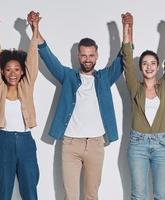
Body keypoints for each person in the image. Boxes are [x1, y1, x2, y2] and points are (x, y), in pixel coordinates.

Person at [30, 10, 124, 200]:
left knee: (91, 195)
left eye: (91, 55)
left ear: (97, 56)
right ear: (78, 56)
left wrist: (126, 30)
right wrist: (35, 29)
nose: (87, 59)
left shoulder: (105, 78)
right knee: (70, 196)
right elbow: (49, 58)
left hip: (96, 145)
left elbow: (122, 60)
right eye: (83, 55)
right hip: (70, 144)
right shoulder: (68, 77)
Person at [121, 12, 165, 200]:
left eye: (153, 63)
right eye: (145, 63)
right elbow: (127, 61)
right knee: (138, 195)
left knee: (162, 195)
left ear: (157, 66)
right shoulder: (134, 87)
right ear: (141, 68)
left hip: (162, 144)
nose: (149, 67)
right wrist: (126, 29)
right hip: (138, 144)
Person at [0, 12, 40, 200]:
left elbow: (32, 61)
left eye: (17, 69)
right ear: (3, 71)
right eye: (8, 69)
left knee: (30, 193)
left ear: (22, 71)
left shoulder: (26, 86)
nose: (12, 73)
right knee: (2, 193)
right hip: (4, 143)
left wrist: (34, 31)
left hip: (26, 143)